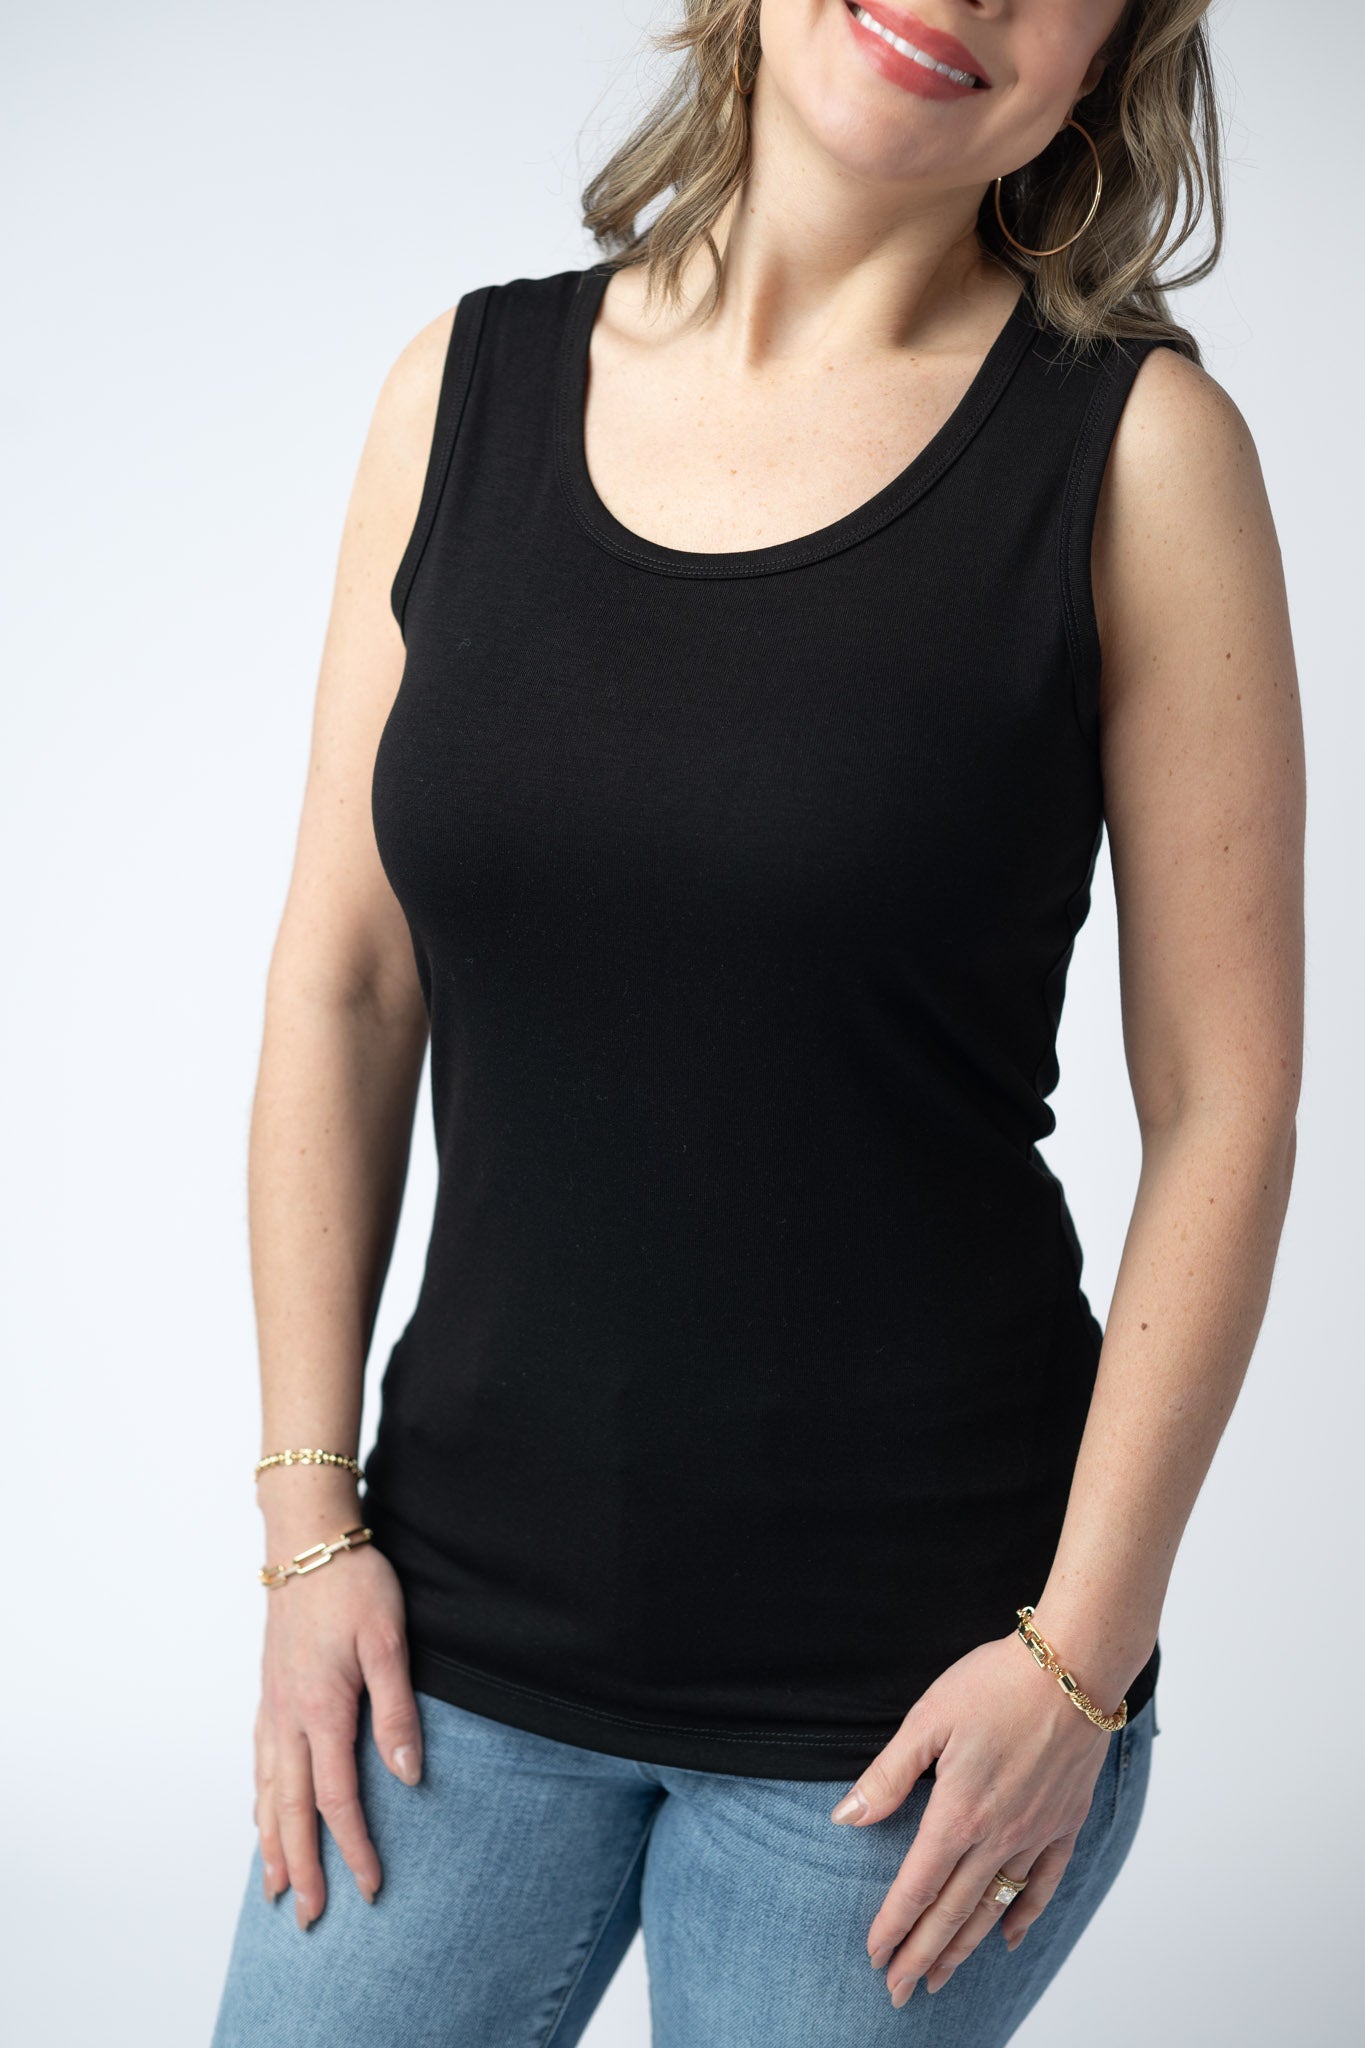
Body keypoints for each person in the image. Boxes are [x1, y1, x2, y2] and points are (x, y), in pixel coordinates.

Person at [210, 2, 1304, 2042]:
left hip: (912, 1701)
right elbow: (345, 981)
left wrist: (1078, 1658)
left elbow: (1222, 1102)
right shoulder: (459, 389)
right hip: (444, 1640)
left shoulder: (1137, 454)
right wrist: (304, 1526)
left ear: (1106, 58)